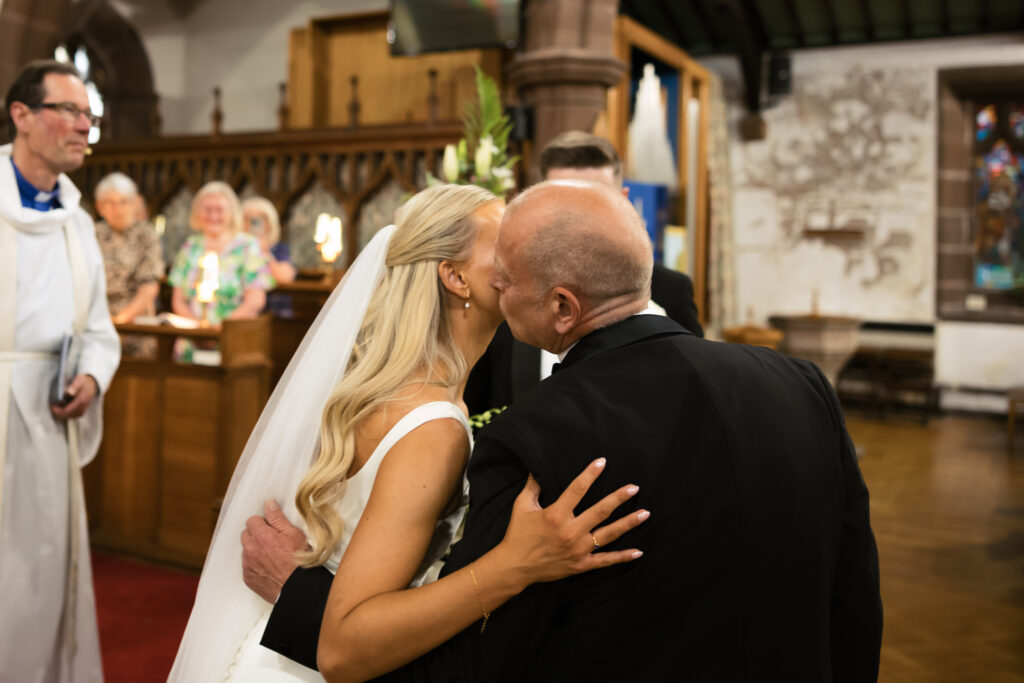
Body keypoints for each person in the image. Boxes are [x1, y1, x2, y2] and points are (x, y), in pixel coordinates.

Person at [255, 180, 883, 682]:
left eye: (508, 276)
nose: (499, 286)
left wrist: (307, 605)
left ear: (562, 307)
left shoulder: (539, 432)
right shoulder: (801, 385)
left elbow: (476, 666)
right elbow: (854, 600)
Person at [168, 184, 646, 681]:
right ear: (456, 277)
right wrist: (515, 563)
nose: (522, 253)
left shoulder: (387, 388)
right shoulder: (432, 426)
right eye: (503, 243)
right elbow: (347, 645)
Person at [0, 59, 121, 682]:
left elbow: (98, 329)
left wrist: (91, 377)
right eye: (70, 111)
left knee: (40, 572)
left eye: (89, 114)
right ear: (21, 115)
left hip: (47, 424)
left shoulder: (77, 223)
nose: (83, 126)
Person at [464, 130, 703, 416]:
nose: (577, 219)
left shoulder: (671, 291)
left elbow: (692, 393)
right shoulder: (500, 290)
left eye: (594, 200)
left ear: (624, 200)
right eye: (560, 205)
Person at [168, 181, 272, 360]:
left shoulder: (248, 246)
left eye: (219, 210)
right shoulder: (190, 246)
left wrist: (220, 328)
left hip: (233, 338)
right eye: (207, 209)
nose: (213, 215)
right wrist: (200, 329)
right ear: (197, 213)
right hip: (192, 339)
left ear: (231, 213)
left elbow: (255, 301)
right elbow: (178, 299)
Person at [93, 171, 163, 356]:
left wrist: (121, 320)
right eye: (109, 203)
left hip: (135, 318)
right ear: (100, 207)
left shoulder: (146, 235)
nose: (117, 208)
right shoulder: (93, 234)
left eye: (123, 201)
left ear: (134, 203)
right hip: (97, 316)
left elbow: (149, 286)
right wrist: (101, 318)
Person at [242, 196, 296, 317]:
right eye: (248, 218)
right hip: (246, 312)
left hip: (276, 312)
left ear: (270, 223)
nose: (254, 223)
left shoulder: (278, 249)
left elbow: (285, 277)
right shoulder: (236, 249)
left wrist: (264, 252)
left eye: (261, 218)